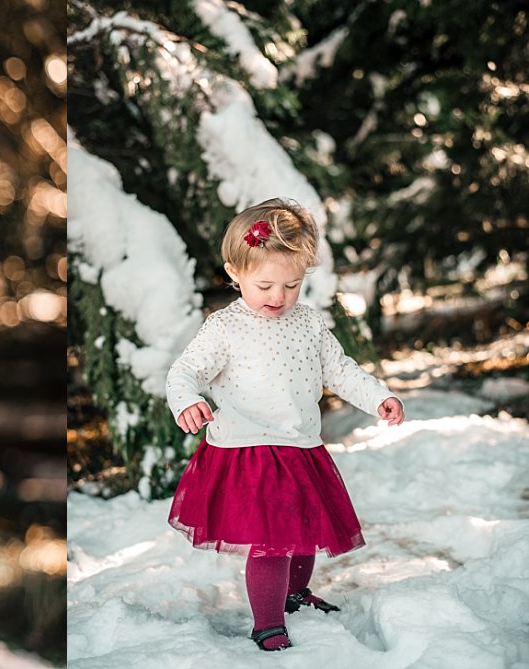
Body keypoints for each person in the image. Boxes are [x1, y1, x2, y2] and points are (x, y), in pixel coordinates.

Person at [165, 198, 405, 652]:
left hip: (300, 448)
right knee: (271, 543)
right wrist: (187, 401)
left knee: (304, 535)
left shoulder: (309, 323)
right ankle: (267, 622)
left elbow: (342, 370)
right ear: (235, 272)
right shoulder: (224, 328)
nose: (279, 296)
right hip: (247, 452)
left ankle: (295, 595)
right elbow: (185, 372)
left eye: (291, 284)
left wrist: (380, 397)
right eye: (266, 284)